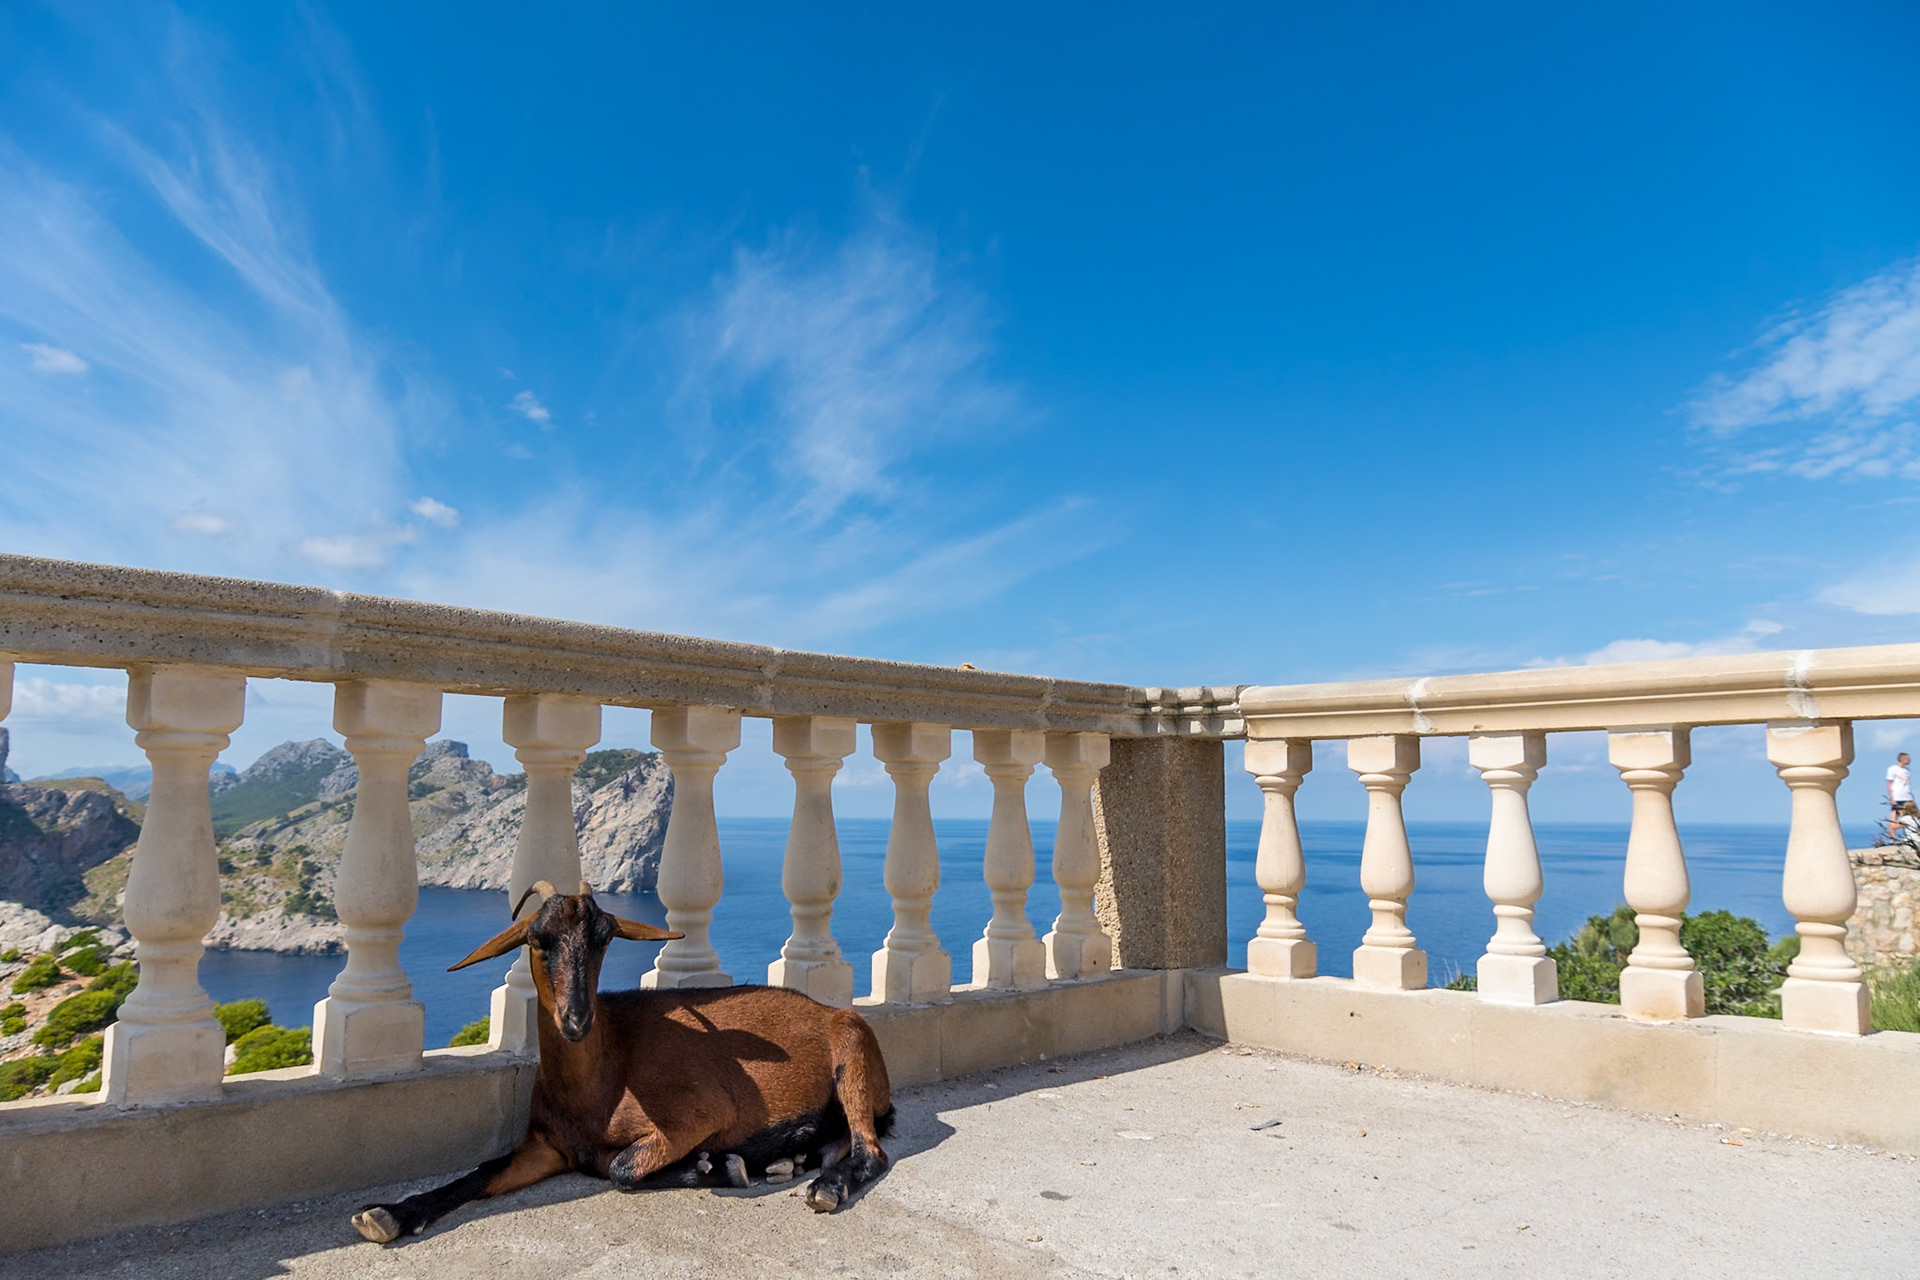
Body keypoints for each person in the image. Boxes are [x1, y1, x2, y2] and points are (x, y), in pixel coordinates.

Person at [1889, 752, 1916, 841]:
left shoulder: (1907, 770)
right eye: (1907, 758)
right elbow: (1889, 784)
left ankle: (1910, 835)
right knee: (1895, 818)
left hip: (1908, 797)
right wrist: (1892, 798)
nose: (1909, 760)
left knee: (1913, 817)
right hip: (1898, 796)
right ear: (1901, 759)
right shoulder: (1893, 769)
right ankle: (1893, 838)